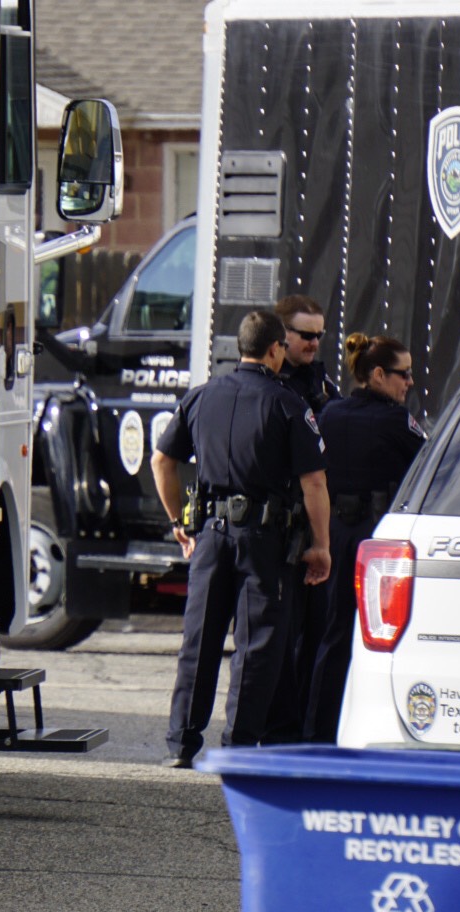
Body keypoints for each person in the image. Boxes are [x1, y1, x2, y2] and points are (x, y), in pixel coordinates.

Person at [151, 310, 332, 767]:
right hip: (263, 539)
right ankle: (237, 745)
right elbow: (314, 482)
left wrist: (178, 521)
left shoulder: (201, 396)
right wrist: (321, 546)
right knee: (257, 646)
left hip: (210, 535)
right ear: (275, 349)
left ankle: (182, 743)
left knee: (200, 639)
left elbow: (161, 461)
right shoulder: (288, 403)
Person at [302, 333, 427, 743]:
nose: (409, 382)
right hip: (377, 542)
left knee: (334, 635)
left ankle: (318, 733)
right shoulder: (396, 421)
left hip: (335, 534)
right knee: (389, 638)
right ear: (377, 374)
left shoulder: (331, 412)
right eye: (402, 373)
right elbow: (430, 469)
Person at [265, 295, 339, 742]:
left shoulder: (320, 382)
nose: (314, 343)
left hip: (313, 522)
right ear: (281, 337)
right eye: (305, 335)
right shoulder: (274, 386)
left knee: (315, 635)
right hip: (283, 525)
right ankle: (278, 732)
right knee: (281, 641)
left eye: (319, 335)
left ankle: (304, 733)